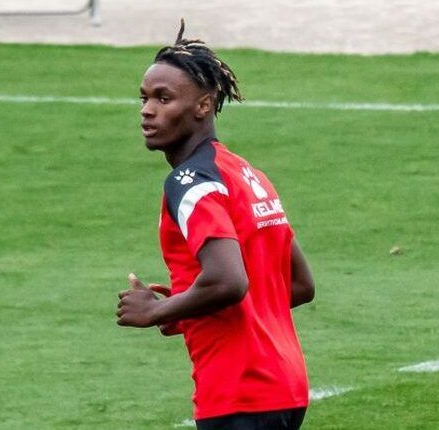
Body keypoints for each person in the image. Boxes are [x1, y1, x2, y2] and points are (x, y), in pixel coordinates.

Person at [116, 20, 315, 430]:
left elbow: (228, 282)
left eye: (164, 98)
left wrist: (157, 310)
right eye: (144, 98)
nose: (147, 110)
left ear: (203, 106)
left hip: (237, 391)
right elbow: (298, 285)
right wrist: (188, 311)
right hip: (285, 385)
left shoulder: (190, 182)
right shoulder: (246, 174)